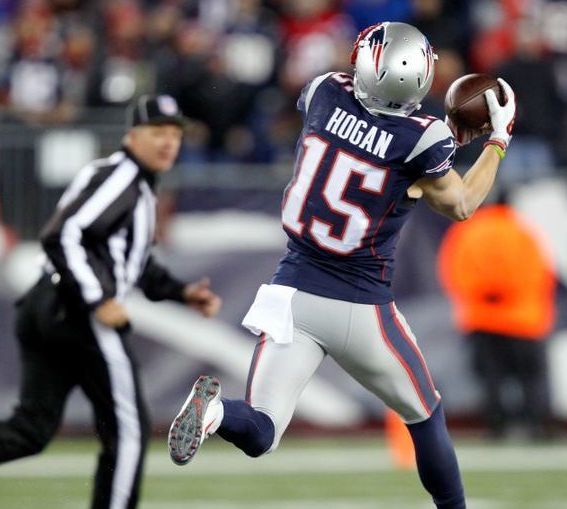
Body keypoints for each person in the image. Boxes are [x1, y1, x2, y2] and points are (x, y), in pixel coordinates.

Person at [167, 22, 516, 509]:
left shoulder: (324, 92)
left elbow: (369, 141)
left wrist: (436, 142)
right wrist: (496, 139)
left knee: (262, 428)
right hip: (359, 305)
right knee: (424, 415)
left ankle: (217, 415)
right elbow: (458, 203)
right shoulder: (425, 138)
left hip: (291, 293)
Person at [0, 94, 223, 509]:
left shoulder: (129, 183)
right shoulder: (124, 179)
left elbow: (132, 262)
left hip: (47, 303)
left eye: (175, 134)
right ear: (132, 136)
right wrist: (97, 299)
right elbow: (62, 234)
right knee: (129, 428)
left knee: (33, 428)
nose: (169, 142)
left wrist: (180, 292)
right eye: (158, 132)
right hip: (79, 312)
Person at [438, 195, 556, 440]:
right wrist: (510, 294)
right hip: (523, 319)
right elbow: (540, 272)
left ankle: (497, 427)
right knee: (530, 377)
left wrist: (484, 293)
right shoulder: (523, 231)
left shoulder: (469, 231)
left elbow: (454, 270)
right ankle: (537, 426)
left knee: (491, 378)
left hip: (482, 318)